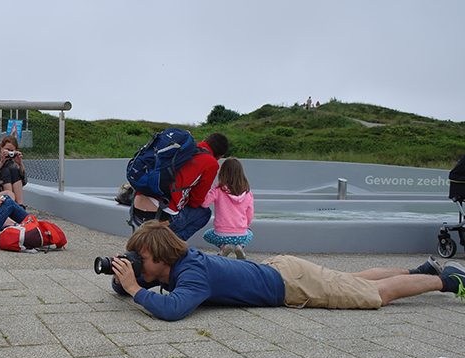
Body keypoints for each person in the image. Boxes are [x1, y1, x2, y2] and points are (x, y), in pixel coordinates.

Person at [108, 220, 465, 322]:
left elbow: (172, 311)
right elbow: (130, 286)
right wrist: (129, 277)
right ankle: (419, 268)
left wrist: (136, 289)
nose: (138, 264)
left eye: (141, 258)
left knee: (374, 295)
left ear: (162, 258)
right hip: (282, 270)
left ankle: (449, 280)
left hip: (293, 284)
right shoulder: (181, 264)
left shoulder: (193, 275)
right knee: (351, 280)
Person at [131, 132, 229, 242]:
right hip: (160, 214)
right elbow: (195, 201)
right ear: (221, 156)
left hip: (136, 209)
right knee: (204, 213)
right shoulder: (211, 163)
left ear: (205, 139)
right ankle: (169, 245)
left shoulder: (179, 148)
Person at [201, 158, 254, 259]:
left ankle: (224, 247)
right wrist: (246, 225)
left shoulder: (218, 189)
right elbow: (250, 213)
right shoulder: (247, 193)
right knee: (250, 234)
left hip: (221, 233)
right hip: (241, 234)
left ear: (223, 173)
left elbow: (204, 204)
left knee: (207, 235)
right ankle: (240, 247)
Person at [0, 135, 27, 208]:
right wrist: (1, 162)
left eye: (12, 151)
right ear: (1, 146)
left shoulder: (12, 162)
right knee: (5, 171)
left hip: (7, 186)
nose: (9, 152)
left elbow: (24, 182)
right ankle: (9, 204)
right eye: (7, 149)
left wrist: (20, 164)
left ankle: (20, 206)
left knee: (14, 171)